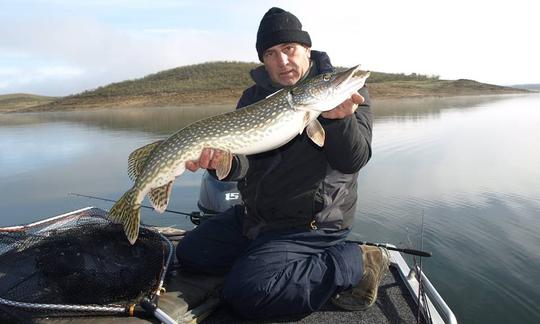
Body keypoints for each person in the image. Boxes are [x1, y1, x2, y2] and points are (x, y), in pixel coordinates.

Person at [176, 7, 389, 319]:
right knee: (191, 255)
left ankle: (359, 260)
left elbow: (353, 159)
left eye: (289, 49)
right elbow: (244, 163)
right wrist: (218, 161)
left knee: (248, 293)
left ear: (306, 49)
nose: (282, 61)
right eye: (271, 54)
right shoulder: (253, 98)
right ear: (264, 60)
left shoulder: (346, 92)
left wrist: (339, 121)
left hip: (313, 223)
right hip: (257, 217)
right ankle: (263, 258)